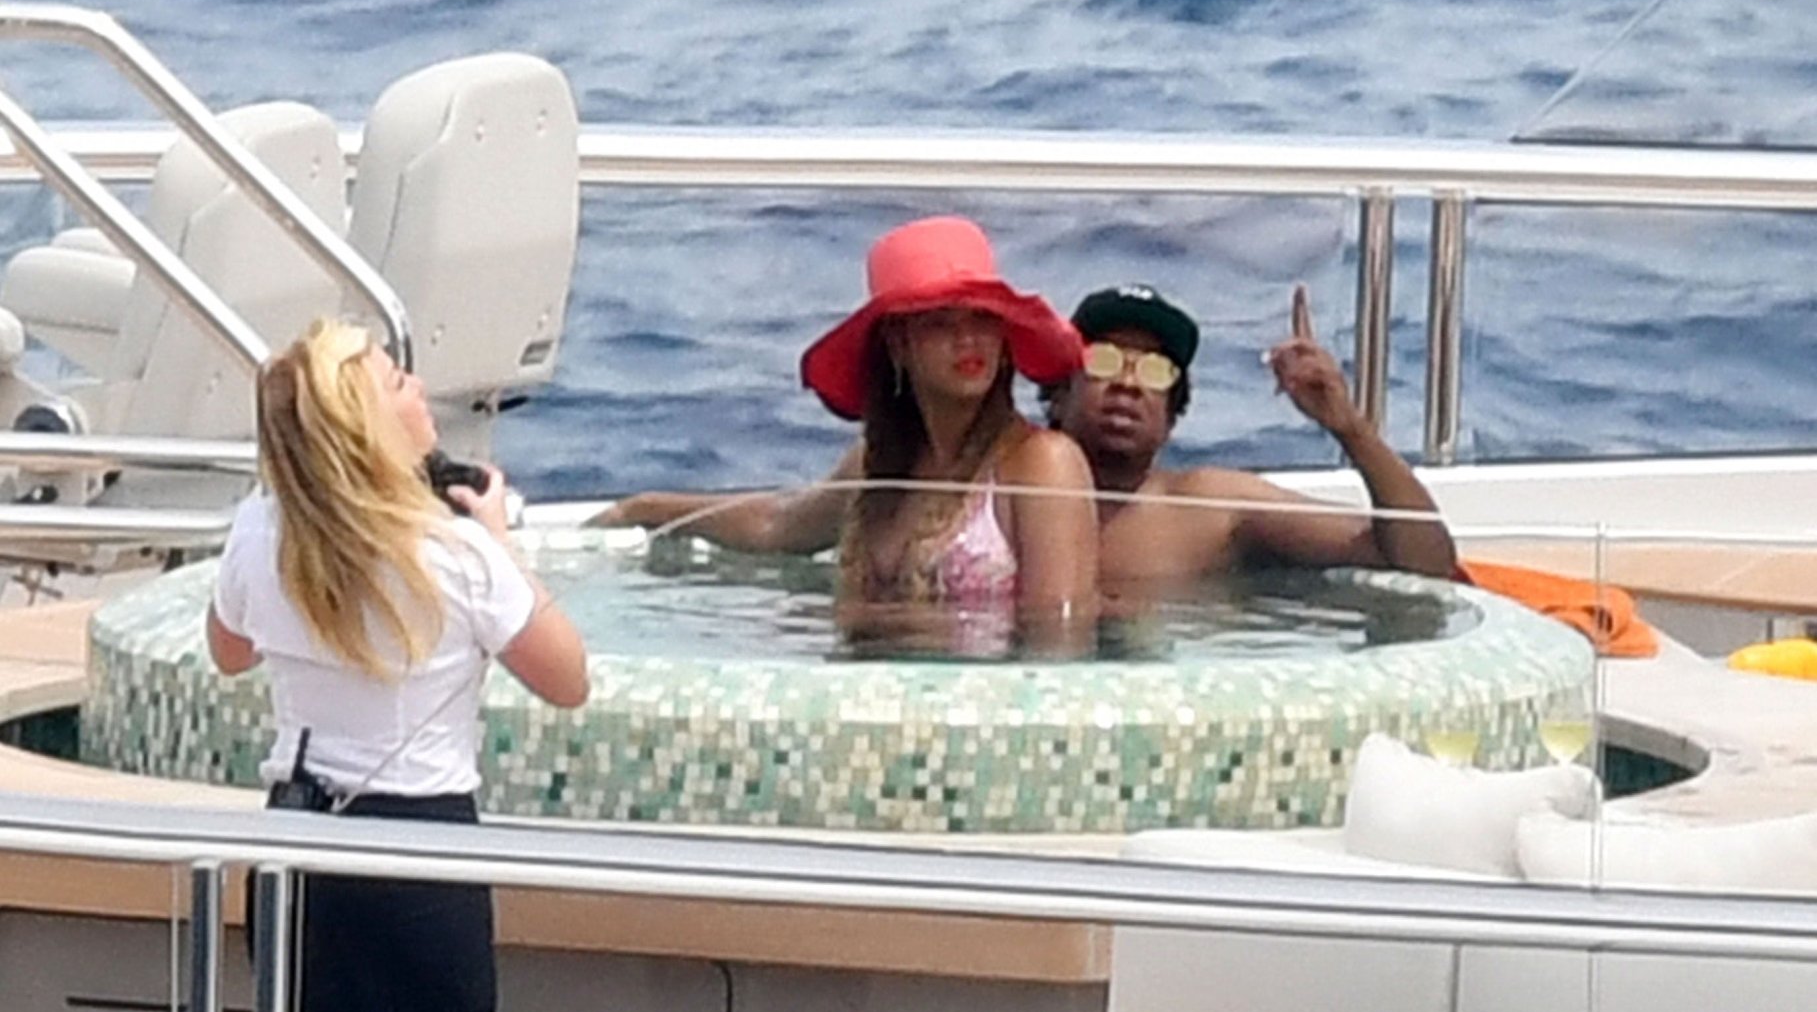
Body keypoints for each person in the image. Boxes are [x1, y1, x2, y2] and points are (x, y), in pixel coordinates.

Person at [206, 318, 588, 1012]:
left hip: (297, 851)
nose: (417, 386)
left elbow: (228, 650)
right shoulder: (457, 554)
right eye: (395, 380)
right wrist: (499, 543)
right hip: (423, 858)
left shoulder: (260, 532)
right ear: (367, 428)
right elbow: (567, 679)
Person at [596, 215, 1098, 653]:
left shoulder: (1041, 464)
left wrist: (874, 622)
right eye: (939, 322)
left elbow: (1059, 634)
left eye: (983, 318)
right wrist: (647, 509)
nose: (967, 338)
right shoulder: (873, 466)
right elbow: (777, 526)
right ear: (898, 345)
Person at [1043, 281, 1457, 588]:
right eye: (1104, 361)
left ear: (1173, 415)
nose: (1128, 383)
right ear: (1059, 393)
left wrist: (1349, 427)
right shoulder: (1011, 494)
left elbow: (1426, 561)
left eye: (1155, 370)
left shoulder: (1212, 509)